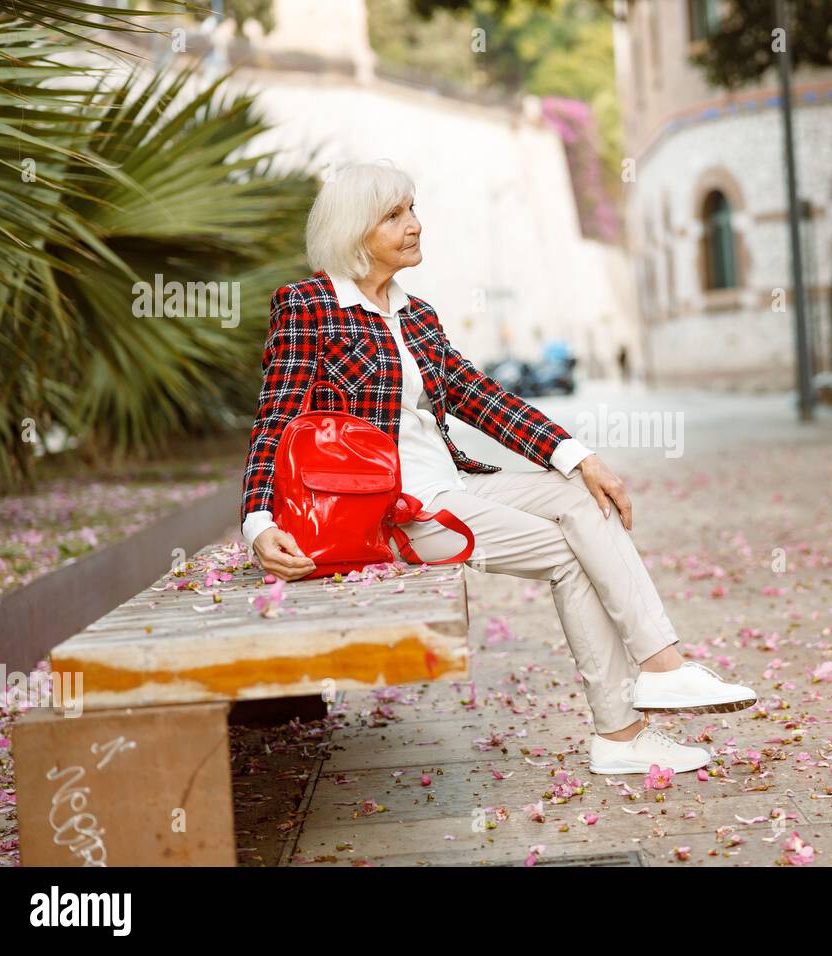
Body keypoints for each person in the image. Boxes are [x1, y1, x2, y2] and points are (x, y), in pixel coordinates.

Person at [240, 162, 755, 774]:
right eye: (396, 215)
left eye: (413, 209)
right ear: (355, 231)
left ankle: (662, 669)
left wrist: (578, 455)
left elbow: (477, 396)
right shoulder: (310, 307)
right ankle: (621, 735)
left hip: (450, 486)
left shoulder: (416, 314)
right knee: (570, 556)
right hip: (393, 512)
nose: (415, 225)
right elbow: (276, 417)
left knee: (579, 497)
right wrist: (258, 521)